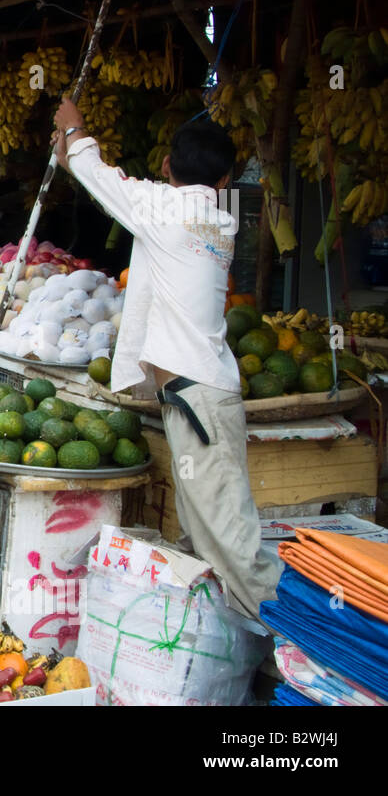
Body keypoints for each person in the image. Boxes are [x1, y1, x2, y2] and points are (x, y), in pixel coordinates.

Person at [53, 97, 280, 620]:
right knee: (206, 531)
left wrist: (73, 126)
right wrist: (72, 151)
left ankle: (296, 636)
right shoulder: (215, 220)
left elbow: (99, 174)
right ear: (225, 182)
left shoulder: (163, 209)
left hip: (200, 398)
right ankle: (238, 637)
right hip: (198, 395)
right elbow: (96, 177)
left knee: (229, 539)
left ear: (164, 167)